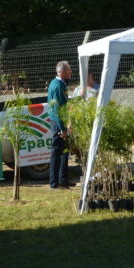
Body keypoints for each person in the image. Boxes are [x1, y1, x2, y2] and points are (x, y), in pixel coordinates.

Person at [47, 60, 72, 189]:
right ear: (62, 72)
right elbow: (57, 109)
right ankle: (54, 183)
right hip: (58, 123)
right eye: (69, 70)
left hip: (61, 122)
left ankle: (63, 179)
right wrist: (62, 128)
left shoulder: (60, 84)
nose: (71, 72)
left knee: (63, 152)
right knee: (56, 153)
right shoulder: (57, 86)